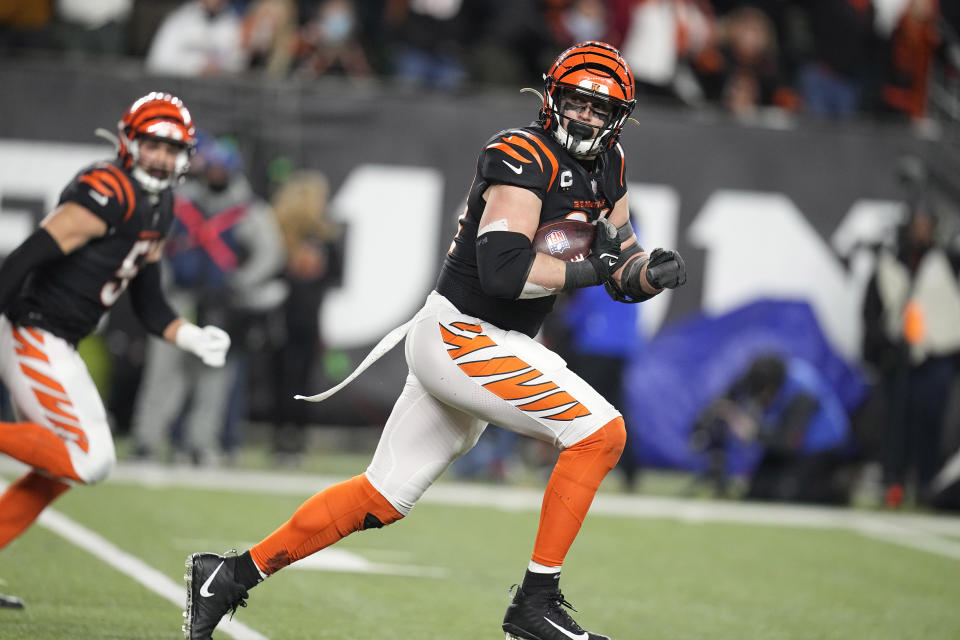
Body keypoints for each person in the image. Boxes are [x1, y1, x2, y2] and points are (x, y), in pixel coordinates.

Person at [182, 41, 687, 640]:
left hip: (486, 341)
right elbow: (505, 272)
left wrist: (647, 274)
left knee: (381, 498)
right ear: (553, 97)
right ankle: (536, 602)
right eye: (578, 101)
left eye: (602, 110)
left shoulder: (611, 165)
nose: (588, 117)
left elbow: (621, 262)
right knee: (601, 433)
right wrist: (595, 269)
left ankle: (228, 576)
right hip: (464, 334)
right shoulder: (522, 155)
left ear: (619, 119)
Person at [0, 92, 231, 607]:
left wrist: (190, 336)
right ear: (130, 141)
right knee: (90, 458)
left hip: (57, 336)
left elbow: (149, 301)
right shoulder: (108, 189)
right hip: (33, 329)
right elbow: (28, 256)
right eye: (153, 145)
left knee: (57, 472)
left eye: (173, 150)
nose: (163, 159)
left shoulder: (160, 203)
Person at [129, 135, 286, 466]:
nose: (214, 174)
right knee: (163, 373)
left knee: (213, 379)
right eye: (210, 167)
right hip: (178, 300)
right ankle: (147, 439)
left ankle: (201, 443)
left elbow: (271, 254)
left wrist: (240, 282)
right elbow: (152, 241)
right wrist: (163, 279)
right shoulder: (181, 202)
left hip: (221, 303)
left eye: (220, 169)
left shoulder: (247, 210)